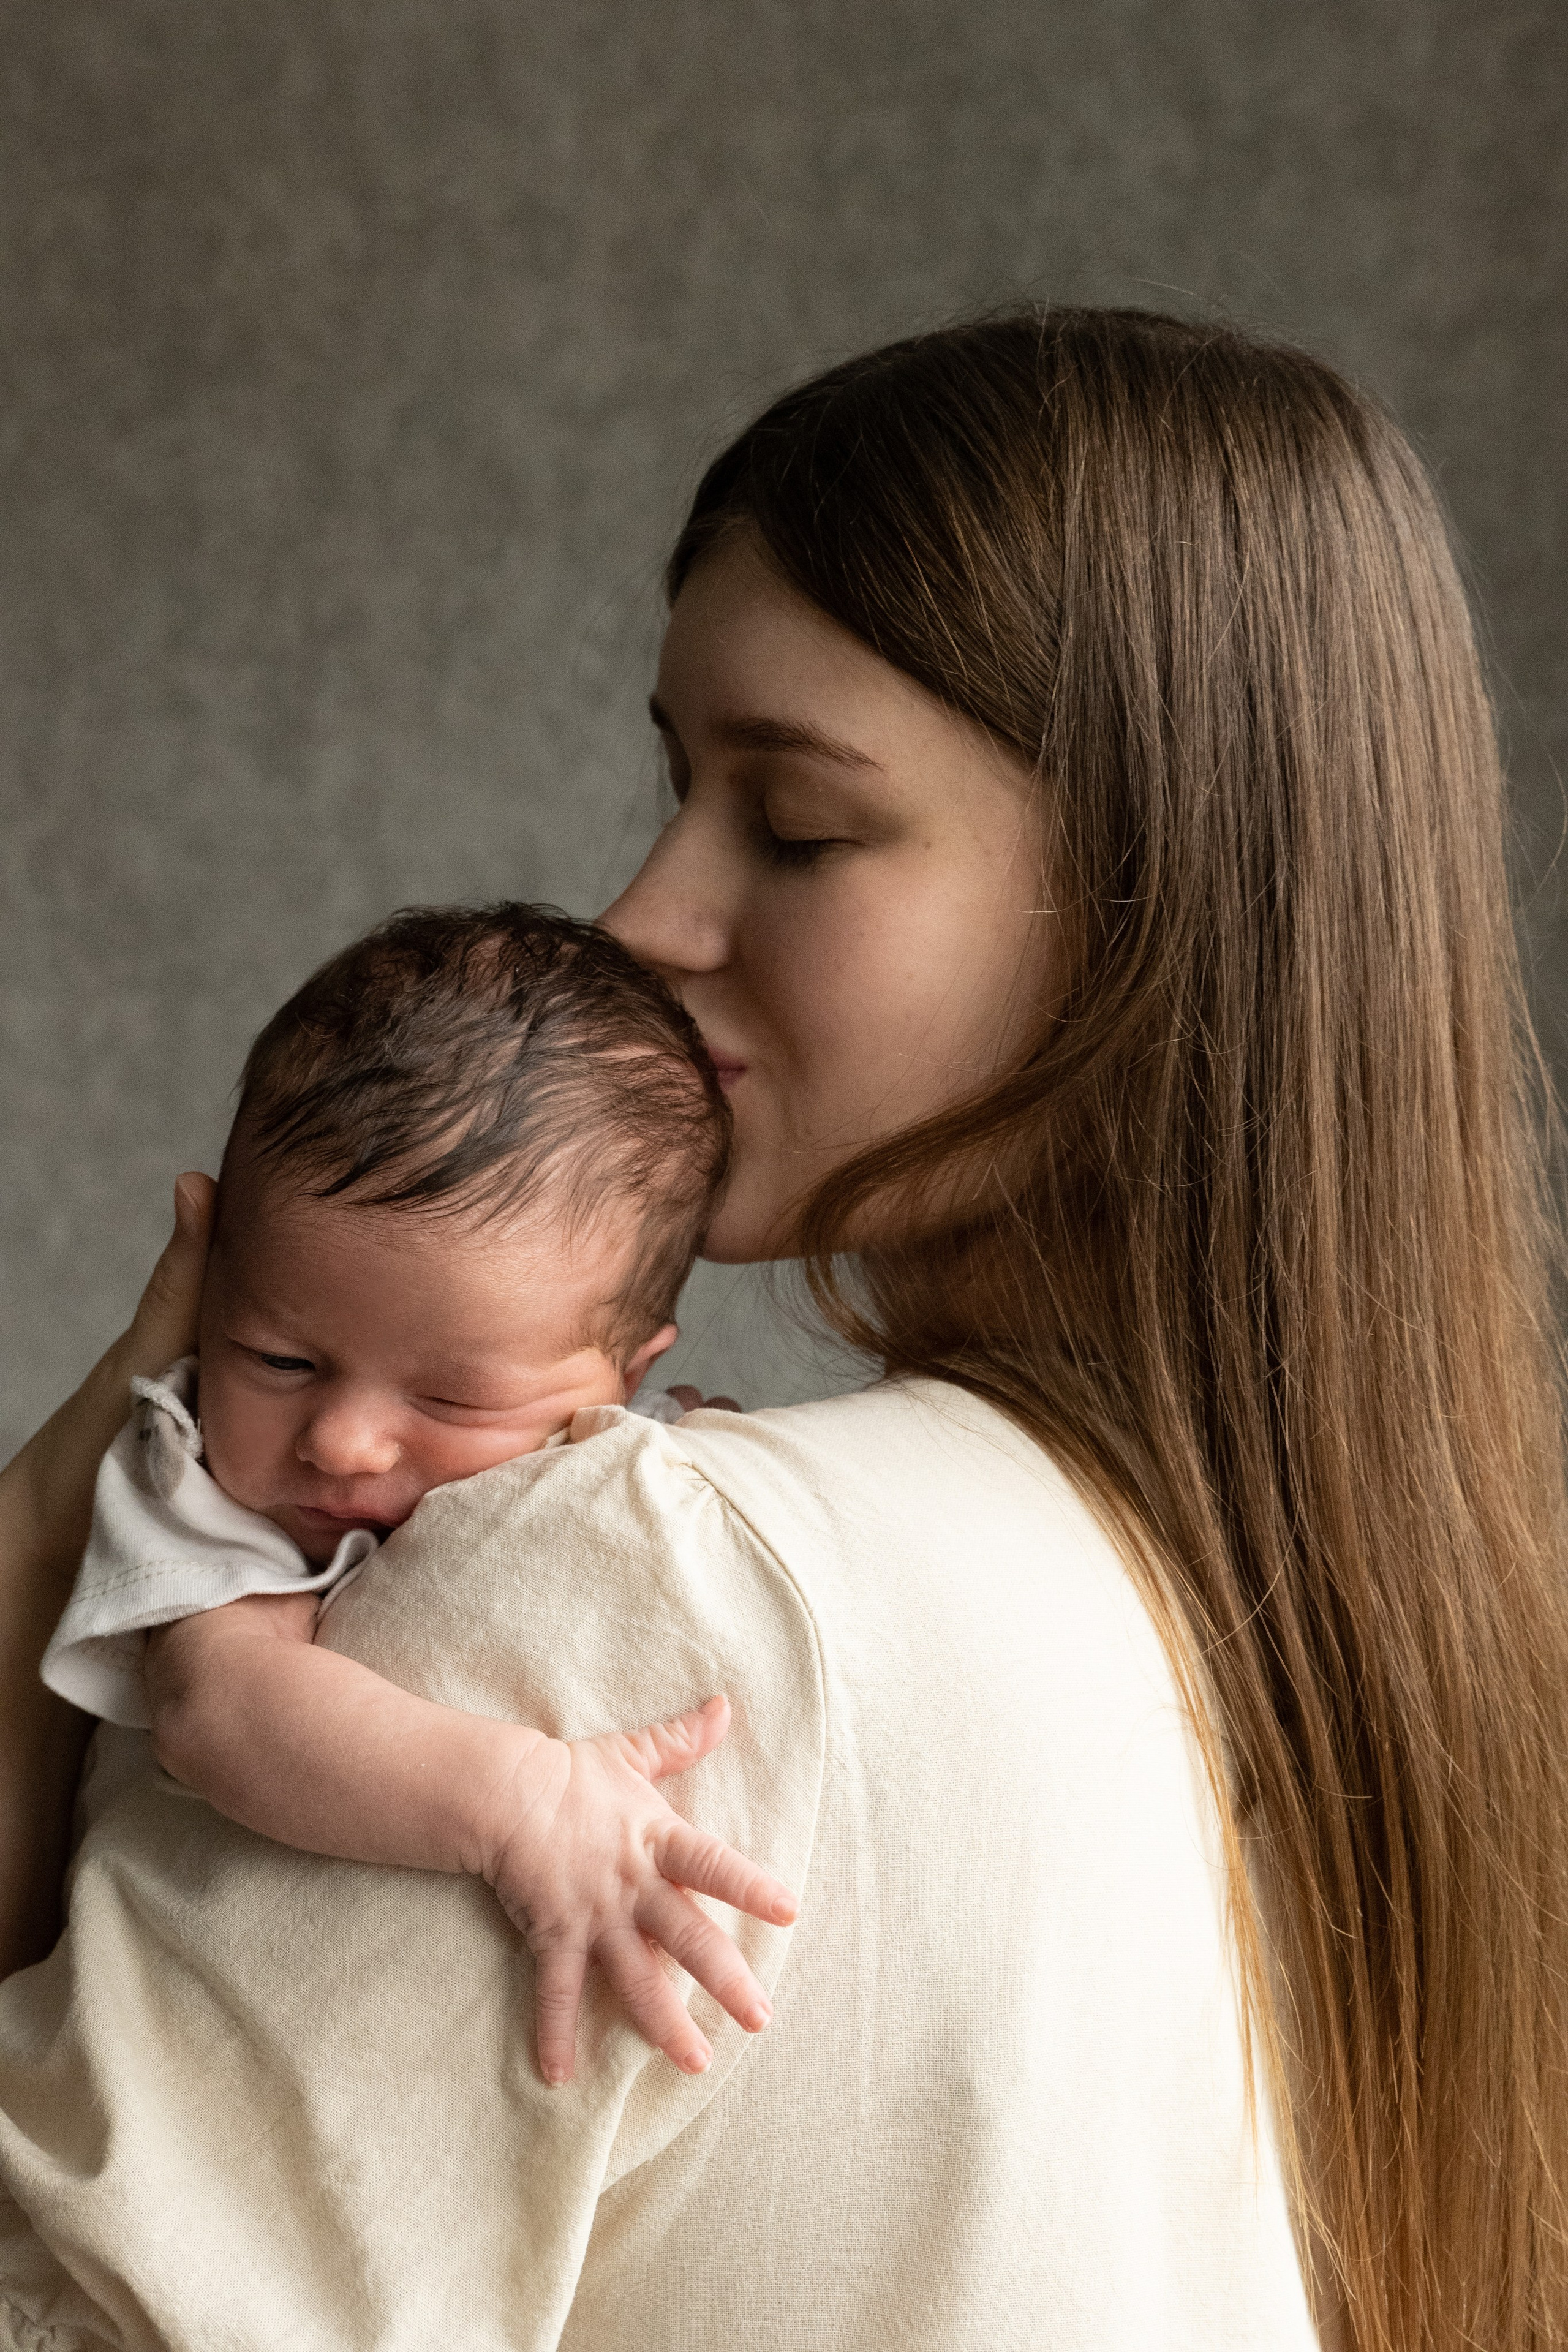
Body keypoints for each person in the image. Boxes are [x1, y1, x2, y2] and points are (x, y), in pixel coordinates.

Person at [1, 304, 1564, 2352]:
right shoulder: (1302, 1643)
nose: (645, 913)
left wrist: (39, 1550)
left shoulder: (647, 1583)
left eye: (801, 824)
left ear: (1159, 903)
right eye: (676, 783)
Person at [39, 901, 797, 2087]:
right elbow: (221, 1709)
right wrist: (525, 1807)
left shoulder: (632, 1468)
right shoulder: (191, 1476)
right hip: (123, 2054)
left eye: (447, 1403)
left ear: (621, 1377)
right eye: (278, 1360)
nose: (340, 1441)